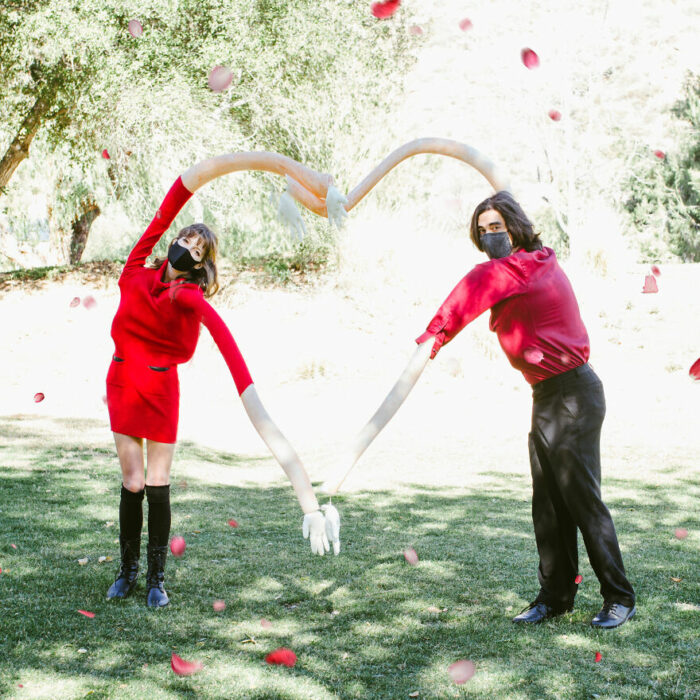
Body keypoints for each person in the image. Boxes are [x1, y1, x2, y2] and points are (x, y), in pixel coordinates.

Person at [323, 190, 635, 629]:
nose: (490, 237)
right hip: (547, 396)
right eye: (483, 231)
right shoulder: (532, 261)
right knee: (547, 504)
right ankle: (556, 596)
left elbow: (470, 292)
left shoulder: (524, 266)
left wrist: (433, 337)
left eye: (497, 228)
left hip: (573, 394)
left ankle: (619, 597)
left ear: (515, 227)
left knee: (582, 500)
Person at [105, 175, 338, 608]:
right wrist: (191, 180)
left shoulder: (189, 297)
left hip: (159, 390)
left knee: (156, 482)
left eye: (197, 252)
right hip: (122, 383)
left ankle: (156, 578)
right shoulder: (135, 269)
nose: (187, 251)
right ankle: (127, 572)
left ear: (201, 264)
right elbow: (162, 215)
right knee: (131, 481)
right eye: (186, 241)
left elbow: (221, 337)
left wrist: (250, 392)